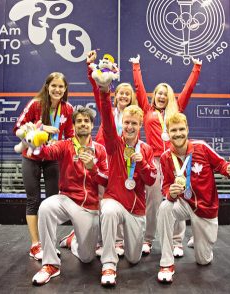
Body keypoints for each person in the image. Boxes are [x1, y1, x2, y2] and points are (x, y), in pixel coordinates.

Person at [129, 54, 202, 256]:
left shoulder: (176, 109)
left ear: (169, 96)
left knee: (177, 200)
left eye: (165, 93)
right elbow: (139, 89)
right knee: (152, 203)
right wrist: (136, 66)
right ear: (155, 96)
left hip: (174, 160)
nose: (161, 96)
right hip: (153, 161)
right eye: (159, 93)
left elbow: (188, 90)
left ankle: (177, 241)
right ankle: (148, 239)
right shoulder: (146, 109)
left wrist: (196, 68)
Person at [157, 112, 230, 283]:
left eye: (181, 129)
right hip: (183, 203)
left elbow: (222, 165)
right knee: (165, 208)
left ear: (187, 129)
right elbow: (165, 186)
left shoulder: (201, 147)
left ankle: (200, 237)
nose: (178, 133)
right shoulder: (165, 157)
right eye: (173, 130)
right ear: (168, 133)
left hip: (205, 208)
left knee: (203, 260)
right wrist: (169, 193)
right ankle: (166, 263)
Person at [31, 107, 108, 285]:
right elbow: (44, 152)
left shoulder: (100, 150)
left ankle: (72, 240)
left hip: (89, 206)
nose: (83, 124)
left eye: (86, 121)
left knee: (87, 257)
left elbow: (106, 180)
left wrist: (93, 169)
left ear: (91, 126)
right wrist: (37, 135)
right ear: (73, 125)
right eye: (79, 121)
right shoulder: (65, 145)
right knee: (46, 207)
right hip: (66, 199)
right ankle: (51, 264)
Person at [97, 86, 157, 286]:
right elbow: (106, 117)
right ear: (121, 125)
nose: (129, 127)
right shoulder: (113, 143)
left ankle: (130, 248)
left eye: (134, 123)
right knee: (109, 211)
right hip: (114, 199)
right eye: (126, 123)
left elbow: (151, 180)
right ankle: (108, 264)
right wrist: (105, 92)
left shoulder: (146, 149)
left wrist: (142, 163)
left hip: (136, 210)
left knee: (133, 258)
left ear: (140, 125)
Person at [13, 72, 74, 261]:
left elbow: (70, 134)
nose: (57, 90)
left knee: (52, 202)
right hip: (31, 157)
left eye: (61, 87)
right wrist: (41, 128)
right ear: (47, 86)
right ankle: (35, 245)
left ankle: (48, 244)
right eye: (53, 86)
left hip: (52, 158)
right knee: (33, 200)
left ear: (65, 90)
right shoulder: (36, 104)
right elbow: (18, 129)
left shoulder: (68, 109)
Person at [86, 50, 137, 257]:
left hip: (123, 159)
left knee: (122, 197)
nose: (124, 95)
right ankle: (101, 240)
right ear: (115, 95)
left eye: (128, 93)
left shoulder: (133, 117)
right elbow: (97, 88)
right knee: (101, 197)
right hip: (104, 155)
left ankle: (119, 241)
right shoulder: (106, 108)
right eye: (121, 93)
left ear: (132, 97)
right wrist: (90, 70)